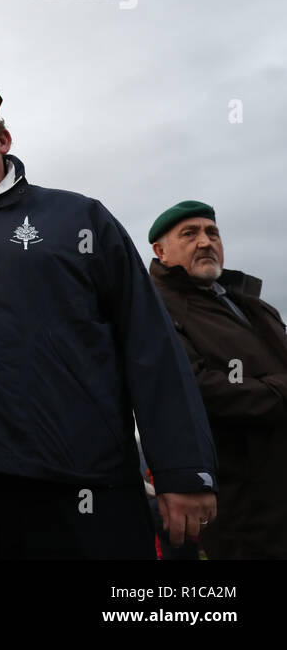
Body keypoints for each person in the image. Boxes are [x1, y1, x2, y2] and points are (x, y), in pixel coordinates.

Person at [0, 88, 218, 558]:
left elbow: (150, 345)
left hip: (79, 494)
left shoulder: (79, 219)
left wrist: (182, 467)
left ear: (3, 139)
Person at [149, 200, 287, 558]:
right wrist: (279, 391)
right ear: (160, 251)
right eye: (190, 234)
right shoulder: (155, 309)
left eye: (212, 233)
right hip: (244, 503)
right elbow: (195, 388)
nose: (205, 242)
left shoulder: (251, 303)